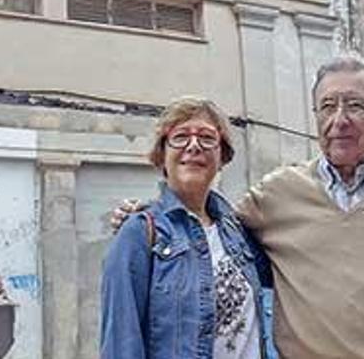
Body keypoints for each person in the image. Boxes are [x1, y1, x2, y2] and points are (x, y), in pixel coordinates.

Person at [113, 55, 364, 358]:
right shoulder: (278, 193)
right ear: (316, 115)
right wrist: (148, 215)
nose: (339, 120)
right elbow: (204, 226)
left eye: (356, 105)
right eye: (328, 106)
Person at [100, 96, 272, 359]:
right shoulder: (138, 233)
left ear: (222, 154)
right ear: (162, 154)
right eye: (180, 137)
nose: (194, 146)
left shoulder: (239, 233)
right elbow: (121, 345)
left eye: (207, 137)